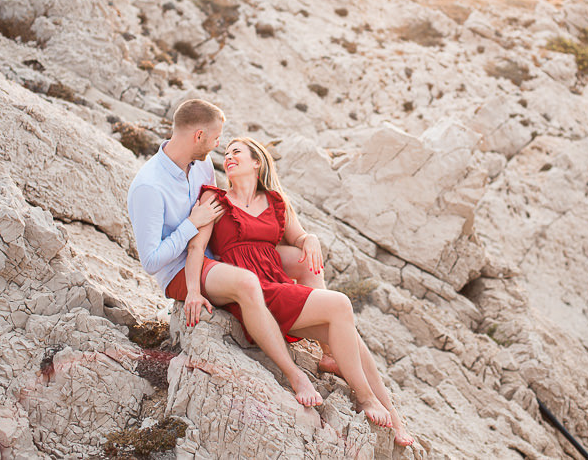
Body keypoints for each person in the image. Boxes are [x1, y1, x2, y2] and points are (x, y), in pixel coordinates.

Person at [185, 136, 414, 446]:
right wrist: (192, 291)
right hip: (253, 292)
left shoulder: (275, 202)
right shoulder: (214, 199)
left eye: (237, 152)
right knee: (340, 305)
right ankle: (364, 397)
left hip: (277, 284)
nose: (229, 157)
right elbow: (197, 246)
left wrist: (310, 239)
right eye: (226, 154)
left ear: (257, 162)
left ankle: (394, 417)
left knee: (348, 335)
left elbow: (300, 237)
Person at [127, 99, 322, 407]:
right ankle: (295, 375)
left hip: (213, 257)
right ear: (199, 136)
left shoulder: (202, 164)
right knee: (247, 283)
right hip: (179, 270)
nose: (220, 145)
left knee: (300, 263)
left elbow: (218, 212)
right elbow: (151, 261)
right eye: (217, 138)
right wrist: (191, 225)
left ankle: (326, 344)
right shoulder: (149, 186)